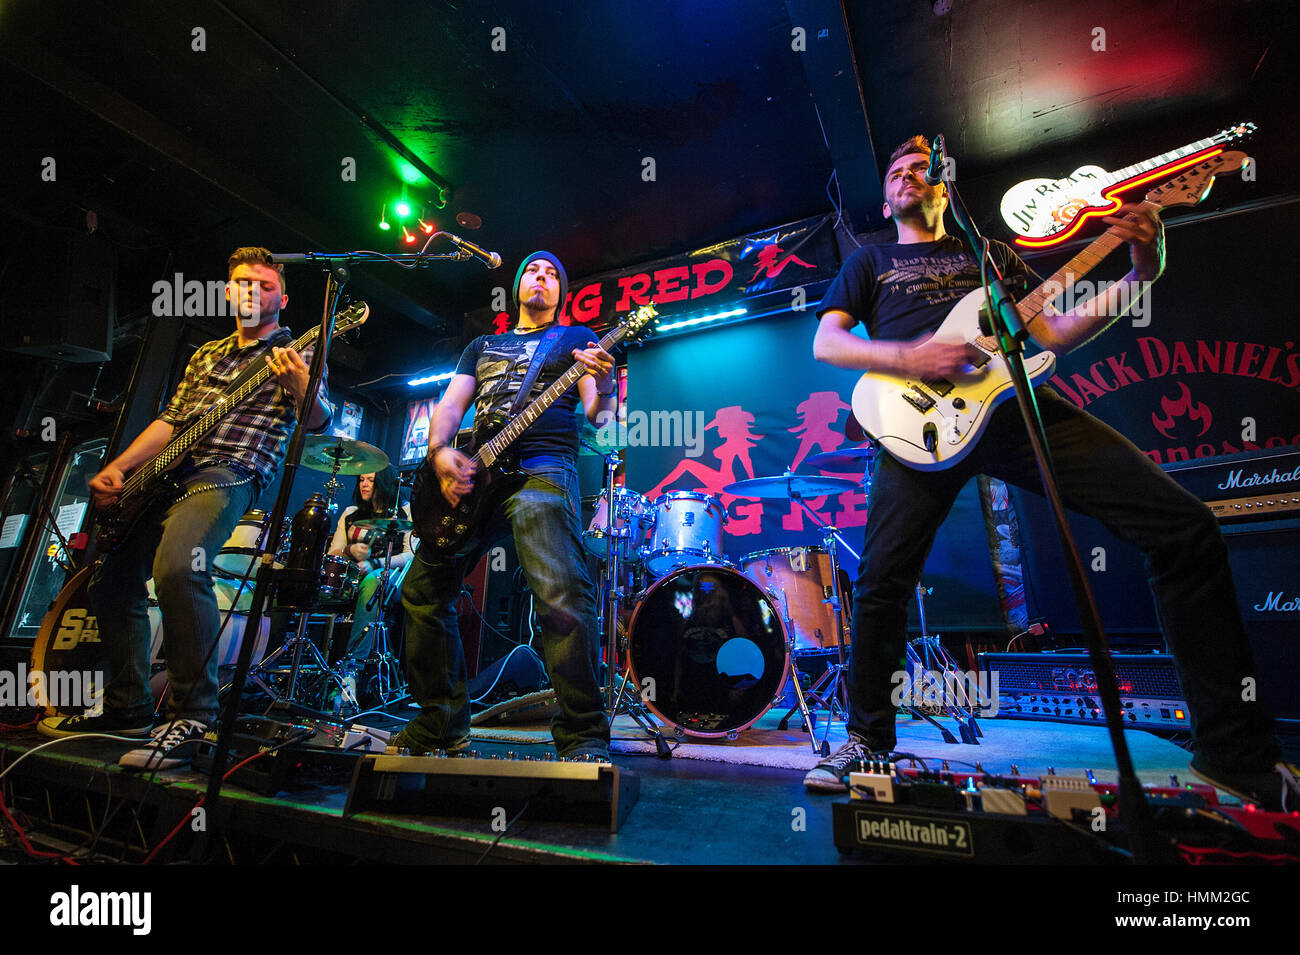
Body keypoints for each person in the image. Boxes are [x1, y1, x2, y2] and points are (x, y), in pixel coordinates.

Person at [804, 136, 1298, 811]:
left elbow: (1056, 330)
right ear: (886, 194)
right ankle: (866, 740)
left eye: (920, 165)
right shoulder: (870, 262)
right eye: (894, 171)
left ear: (944, 182)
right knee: (882, 579)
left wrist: (1138, 276)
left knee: (1185, 526)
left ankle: (1236, 754)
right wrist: (916, 359)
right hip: (915, 423)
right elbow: (828, 342)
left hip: (1011, 407)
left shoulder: (988, 255)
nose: (906, 175)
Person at [40, 247, 333, 771]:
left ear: (282, 299)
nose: (252, 292)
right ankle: (127, 704)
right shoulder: (208, 354)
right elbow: (172, 421)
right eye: (242, 283)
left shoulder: (300, 351)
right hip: (168, 475)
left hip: (232, 470)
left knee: (178, 565)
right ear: (228, 292)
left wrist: (297, 385)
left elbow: (317, 420)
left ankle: (194, 715)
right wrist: (121, 468)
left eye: (264, 286)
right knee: (108, 581)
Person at [398, 252, 615, 758]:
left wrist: (604, 383)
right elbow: (451, 407)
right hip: (476, 475)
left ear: (562, 292)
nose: (541, 278)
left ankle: (583, 735)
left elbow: (599, 417)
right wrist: (439, 455)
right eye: (533, 271)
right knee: (422, 594)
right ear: (518, 285)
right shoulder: (483, 344)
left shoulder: (578, 340)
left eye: (552, 275)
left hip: (543, 468)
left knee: (560, 597)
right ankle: (442, 724)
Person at [326, 467, 413, 666]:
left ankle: (354, 667)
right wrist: (350, 550)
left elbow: (410, 556)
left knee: (373, 580)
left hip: (393, 576)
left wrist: (374, 563)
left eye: (371, 480)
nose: (364, 484)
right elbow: (333, 553)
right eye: (362, 479)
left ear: (383, 482)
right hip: (351, 577)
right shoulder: (350, 514)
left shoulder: (404, 511)